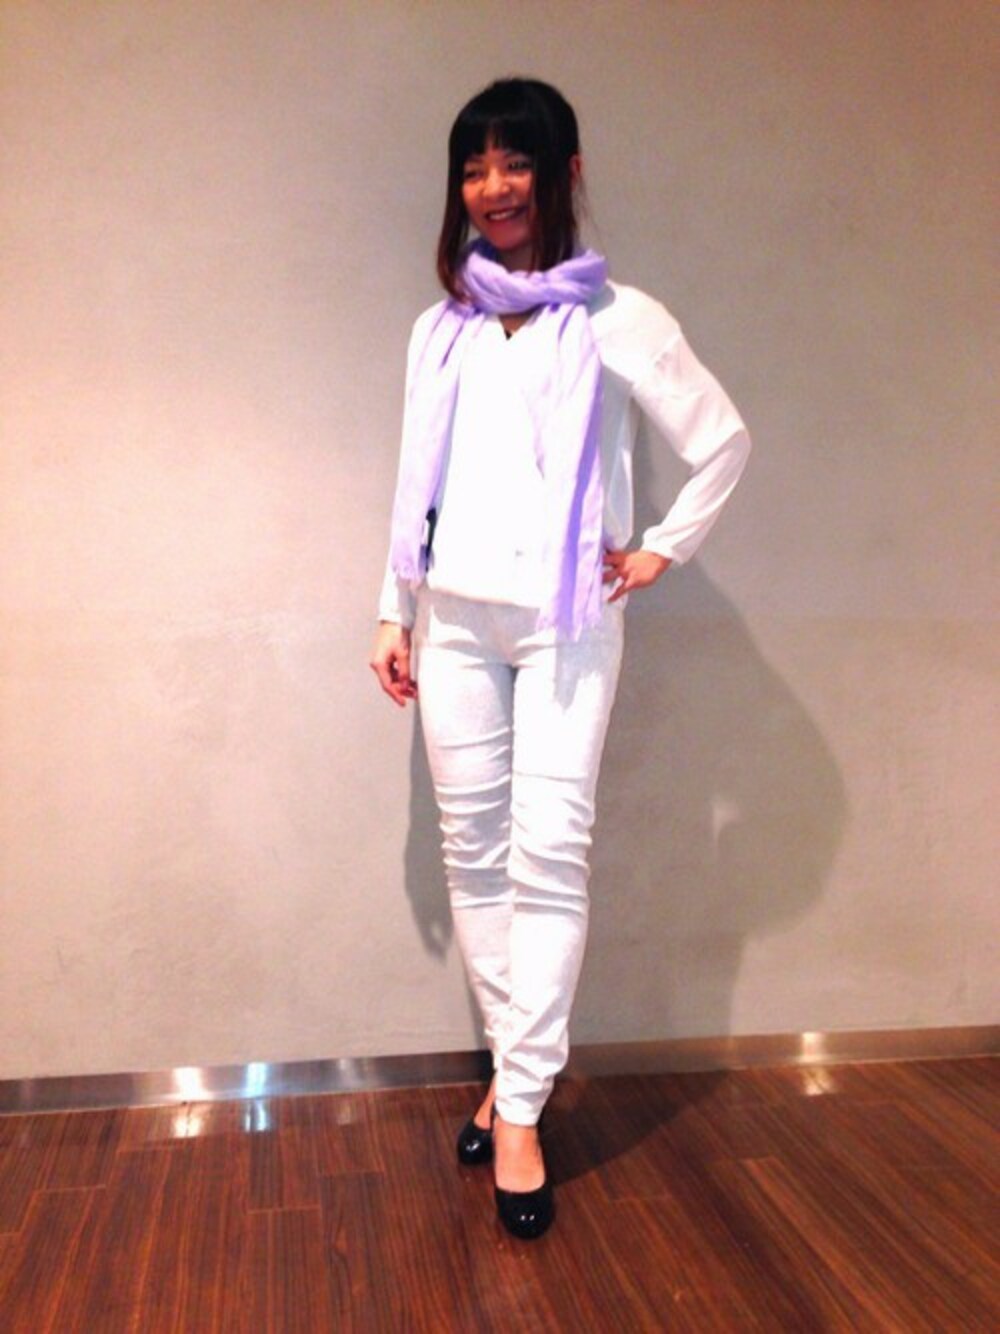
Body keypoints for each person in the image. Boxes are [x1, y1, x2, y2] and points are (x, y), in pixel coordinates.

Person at [370, 77, 750, 1240]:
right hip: (452, 620)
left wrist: (660, 548)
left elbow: (721, 440)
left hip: (565, 623)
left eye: (515, 162)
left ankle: (522, 1106)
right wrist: (390, 609)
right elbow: (416, 484)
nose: (492, 188)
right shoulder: (440, 329)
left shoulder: (620, 318)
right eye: (474, 167)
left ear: (564, 172)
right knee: (473, 853)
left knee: (545, 857)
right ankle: (514, 1066)